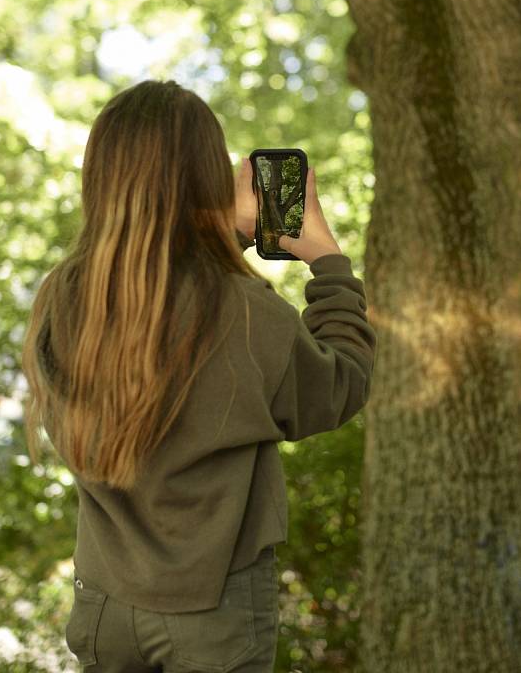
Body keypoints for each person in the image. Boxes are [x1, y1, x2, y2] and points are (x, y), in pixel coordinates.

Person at [21, 79, 377, 672]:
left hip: (104, 607)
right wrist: (327, 260)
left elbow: (161, 312)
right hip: (214, 616)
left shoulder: (63, 298)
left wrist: (224, 238)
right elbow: (338, 387)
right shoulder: (242, 308)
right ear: (211, 176)